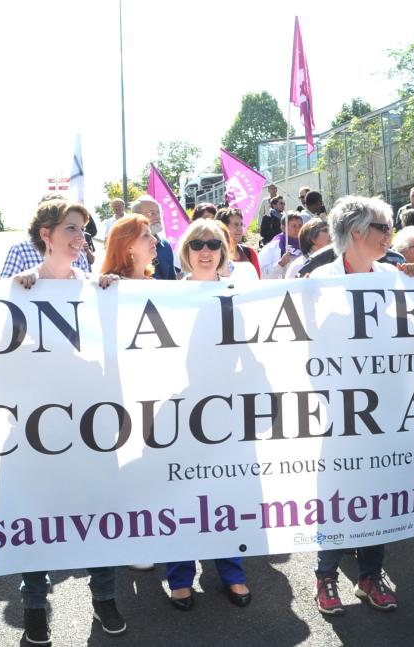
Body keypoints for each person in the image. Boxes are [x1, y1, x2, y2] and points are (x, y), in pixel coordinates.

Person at [10, 200, 124, 645]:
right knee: (34, 514)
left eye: (84, 230)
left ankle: (105, 598)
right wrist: (21, 291)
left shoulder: (97, 288)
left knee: (98, 513)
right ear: (46, 234)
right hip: (36, 428)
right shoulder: (19, 289)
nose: (80, 237)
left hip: (91, 426)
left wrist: (109, 292)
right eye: (71, 228)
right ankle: (35, 606)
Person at [310, 196, 412, 615]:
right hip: (337, 411)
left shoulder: (395, 276)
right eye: (382, 228)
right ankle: (326, 576)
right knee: (335, 494)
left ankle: (371, 575)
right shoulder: (316, 282)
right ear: (356, 233)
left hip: (386, 407)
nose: (390, 236)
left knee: (377, 492)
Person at [164, 218, 253, 611]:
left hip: (226, 407)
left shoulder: (238, 294)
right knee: (181, 493)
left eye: (213, 244)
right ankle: (180, 576)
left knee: (225, 492)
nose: (205, 250)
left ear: (223, 251)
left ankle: (231, 571)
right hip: (178, 408)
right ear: (186, 249)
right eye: (197, 243)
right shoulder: (162, 296)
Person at [0, 194, 93, 278]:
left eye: (82, 229)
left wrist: (104, 287)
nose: (82, 236)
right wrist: (17, 287)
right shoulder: (20, 251)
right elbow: (2, 292)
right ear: (45, 234)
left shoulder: (81, 263)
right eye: (71, 228)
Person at [131, 195, 178, 280]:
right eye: (152, 213)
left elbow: (172, 280)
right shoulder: (127, 246)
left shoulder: (165, 245)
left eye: (158, 212)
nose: (157, 217)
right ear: (137, 216)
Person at [101, 214, 157, 280]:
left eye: (150, 234)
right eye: (146, 235)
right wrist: (105, 284)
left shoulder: (153, 284)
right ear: (127, 246)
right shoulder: (110, 284)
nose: (154, 239)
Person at [258, 212, 304, 279]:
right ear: (283, 228)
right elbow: (260, 275)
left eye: (300, 226)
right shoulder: (272, 248)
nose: (298, 229)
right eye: (294, 226)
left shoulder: (307, 247)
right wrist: (280, 264)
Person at [218, 207, 260, 280]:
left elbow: (258, 282)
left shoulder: (249, 253)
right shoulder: (215, 255)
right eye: (236, 224)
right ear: (223, 227)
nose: (240, 229)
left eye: (241, 225)